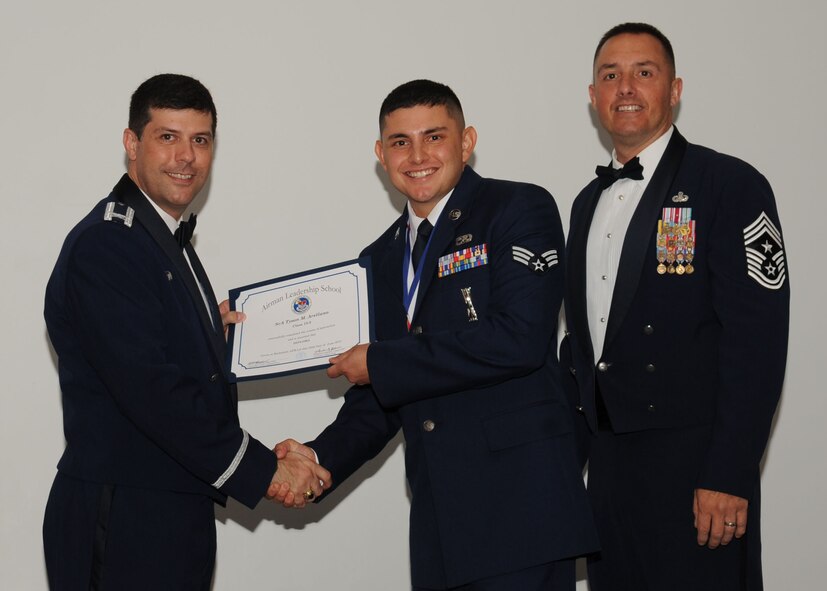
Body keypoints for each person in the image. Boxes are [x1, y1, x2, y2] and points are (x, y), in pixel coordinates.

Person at [276, 79, 598, 591]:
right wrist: (318, 458)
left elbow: (519, 339)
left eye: (434, 136)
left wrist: (380, 364)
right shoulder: (378, 259)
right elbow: (380, 395)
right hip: (439, 524)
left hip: (521, 514)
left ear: (466, 142)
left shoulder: (517, 209)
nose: (418, 155)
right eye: (400, 142)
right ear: (381, 154)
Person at [43, 73, 330, 590]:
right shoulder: (111, 243)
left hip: (168, 510)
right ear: (132, 144)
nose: (186, 157)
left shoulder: (163, 238)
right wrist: (263, 470)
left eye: (200, 140)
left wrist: (204, 335)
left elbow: (153, 354)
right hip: (125, 516)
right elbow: (153, 391)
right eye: (167, 137)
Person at [561, 23, 789, 590]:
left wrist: (729, 473)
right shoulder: (585, 204)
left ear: (675, 89)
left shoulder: (730, 184)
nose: (626, 87)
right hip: (610, 473)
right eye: (610, 76)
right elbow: (585, 347)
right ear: (593, 97)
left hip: (697, 472)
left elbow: (756, 340)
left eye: (645, 72)